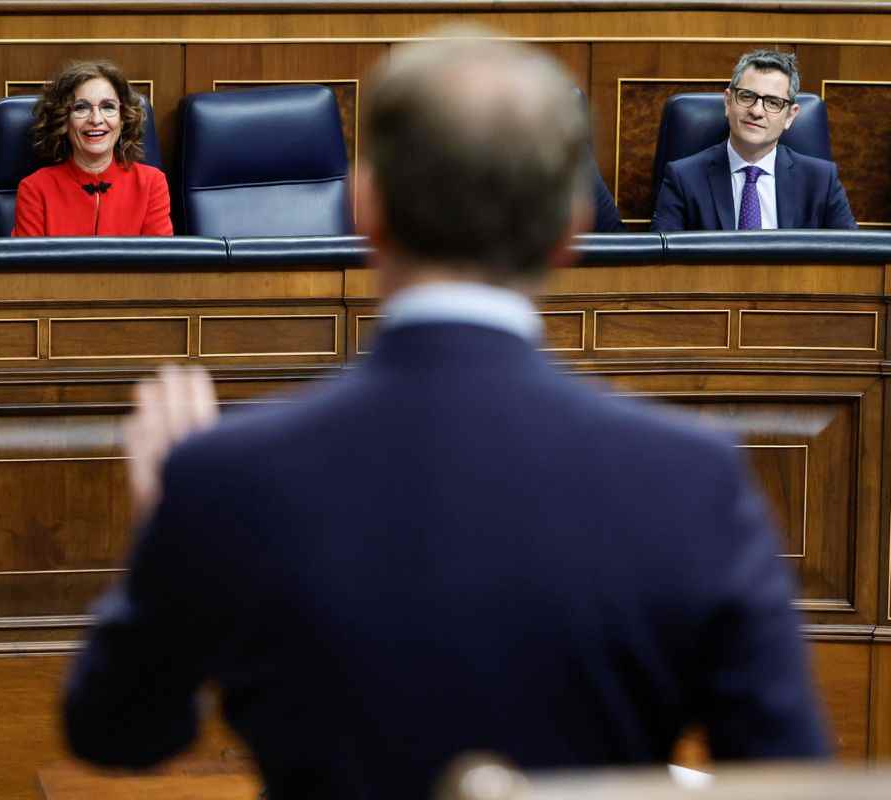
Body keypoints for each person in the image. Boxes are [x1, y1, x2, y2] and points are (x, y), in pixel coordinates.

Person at [63, 32, 829, 799]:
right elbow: (795, 782)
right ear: (570, 226)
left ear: (365, 206)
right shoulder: (691, 481)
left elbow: (117, 731)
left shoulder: (228, 474)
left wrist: (171, 536)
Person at [651, 49, 856, 232]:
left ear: (790, 116)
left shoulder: (821, 180)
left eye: (773, 102)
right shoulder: (683, 178)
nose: (756, 111)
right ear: (728, 101)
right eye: (747, 96)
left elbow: (853, 258)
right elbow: (663, 265)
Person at [11, 60, 172, 237]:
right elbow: (29, 264)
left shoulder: (151, 184)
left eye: (108, 107)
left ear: (123, 118)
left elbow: (159, 262)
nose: (96, 119)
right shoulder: (35, 189)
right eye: (81, 108)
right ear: (63, 120)